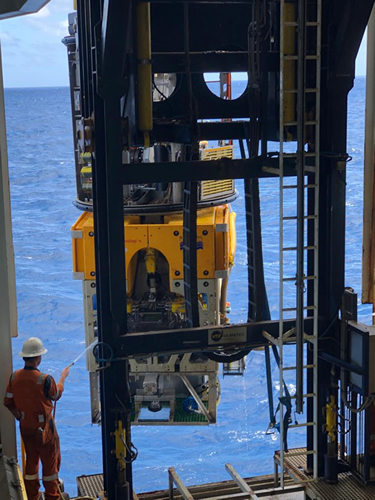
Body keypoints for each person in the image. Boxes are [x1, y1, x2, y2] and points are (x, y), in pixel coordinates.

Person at [4, 337, 70, 500]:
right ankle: (52, 496)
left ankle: (32, 496)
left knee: (31, 462)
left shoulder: (14, 377)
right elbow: (56, 394)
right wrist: (63, 377)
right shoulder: (45, 379)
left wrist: (20, 416)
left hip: (26, 427)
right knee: (50, 465)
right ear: (38, 358)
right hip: (45, 429)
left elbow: (7, 401)